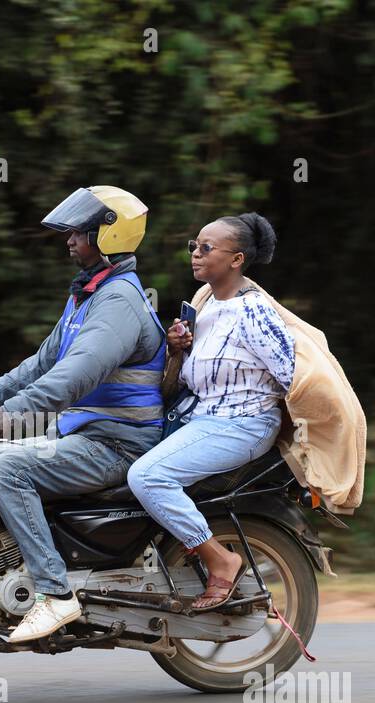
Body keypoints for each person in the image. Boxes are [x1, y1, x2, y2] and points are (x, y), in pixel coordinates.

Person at [0, 185, 167, 643]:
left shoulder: (118, 303)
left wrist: (12, 413)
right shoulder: (87, 296)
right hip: (86, 434)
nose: (69, 240)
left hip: (117, 443)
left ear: (109, 237)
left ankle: (55, 595)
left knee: (10, 471)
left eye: (80, 232)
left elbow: (75, 375)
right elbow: (41, 364)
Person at [126, 212, 295, 610]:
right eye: (193, 247)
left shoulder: (254, 312)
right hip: (202, 420)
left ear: (236, 260)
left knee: (147, 477)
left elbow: (291, 375)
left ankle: (222, 561)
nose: (195, 255)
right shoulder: (204, 306)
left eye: (206, 248)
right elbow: (182, 382)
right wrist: (177, 349)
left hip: (243, 424)